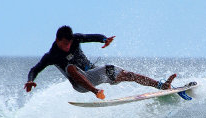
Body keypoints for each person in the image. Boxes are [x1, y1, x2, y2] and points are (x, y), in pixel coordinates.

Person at [24, 25, 176, 99]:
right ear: (57, 40)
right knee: (70, 68)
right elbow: (35, 69)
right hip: (80, 84)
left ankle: (161, 85)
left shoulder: (75, 39)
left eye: (69, 44)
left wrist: (104, 39)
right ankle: (97, 92)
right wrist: (30, 80)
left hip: (93, 73)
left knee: (126, 74)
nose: (68, 47)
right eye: (64, 44)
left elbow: (92, 37)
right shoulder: (51, 55)